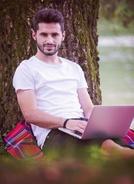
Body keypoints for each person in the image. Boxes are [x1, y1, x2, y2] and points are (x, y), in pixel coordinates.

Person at [13, 8, 134, 157]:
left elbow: (88, 109)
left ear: (63, 36)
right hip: (54, 134)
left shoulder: (73, 68)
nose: (49, 40)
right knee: (110, 148)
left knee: (117, 141)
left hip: (81, 127)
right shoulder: (26, 69)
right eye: (44, 34)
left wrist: (104, 124)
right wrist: (66, 122)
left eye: (55, 34)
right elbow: (31, 114)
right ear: (34, 35)